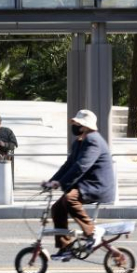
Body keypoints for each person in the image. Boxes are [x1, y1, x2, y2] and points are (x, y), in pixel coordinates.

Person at [45, 109, 115, 262]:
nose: (74, 125)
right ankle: (65, 248)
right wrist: (52, 181)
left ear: (84, 126)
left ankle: (91, 232)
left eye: (76, 123)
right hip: (87, 184)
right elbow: (68, 164)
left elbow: (81, 166)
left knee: (70, 199)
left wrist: (61, 183)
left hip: (98, 186)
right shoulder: (80, 142)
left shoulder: (93, 140)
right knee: (57, 208)